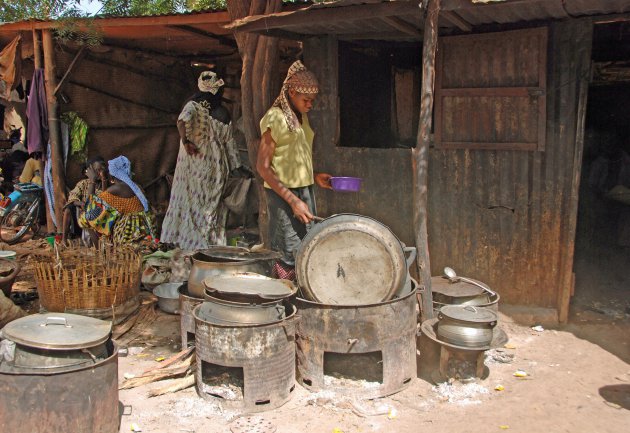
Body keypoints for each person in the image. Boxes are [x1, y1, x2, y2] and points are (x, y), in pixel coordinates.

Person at [257, 61, 333, 280]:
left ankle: (301, 298)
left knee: (307, 246)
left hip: (304, 190)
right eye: (305, 100)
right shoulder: (275, 118)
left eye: (312, 100)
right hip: (283, 196)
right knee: (288, 251)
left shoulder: (301, 116)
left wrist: (314, 175)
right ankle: (284, 302)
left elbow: (293, 155)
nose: (310, 105)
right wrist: (293, 201)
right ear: (291, 92)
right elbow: (263, 167)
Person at [160, 71, 247, 249]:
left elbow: (181, 121)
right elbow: (230, 145)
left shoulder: (193, 105)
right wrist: (237, 168)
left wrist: (186, 142)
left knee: (191, 204)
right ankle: (209, 246)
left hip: (193, 165)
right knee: (211, 206)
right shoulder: (223, 112)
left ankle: (190, 245)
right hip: (216, 167)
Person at [79, 155, 155, 246]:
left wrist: (92, 180)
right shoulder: (136, 187)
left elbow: (89, 209)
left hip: (128, 234)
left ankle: (99, 251)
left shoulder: (116, 189)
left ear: (111, 174)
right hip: (144, 231)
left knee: (85, 219)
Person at [61, 156, 108, 243]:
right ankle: (64, 240)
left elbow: (104, 200)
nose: (100, 173)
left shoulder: (107, 184)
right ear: (90, 172)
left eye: (102, 169)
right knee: (68, 209)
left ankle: (95, 243)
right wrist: (80, 203)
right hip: (81, 216)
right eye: (97, 170)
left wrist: (104, 181)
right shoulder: (83, 183)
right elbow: (72, 196)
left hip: (98, 215)